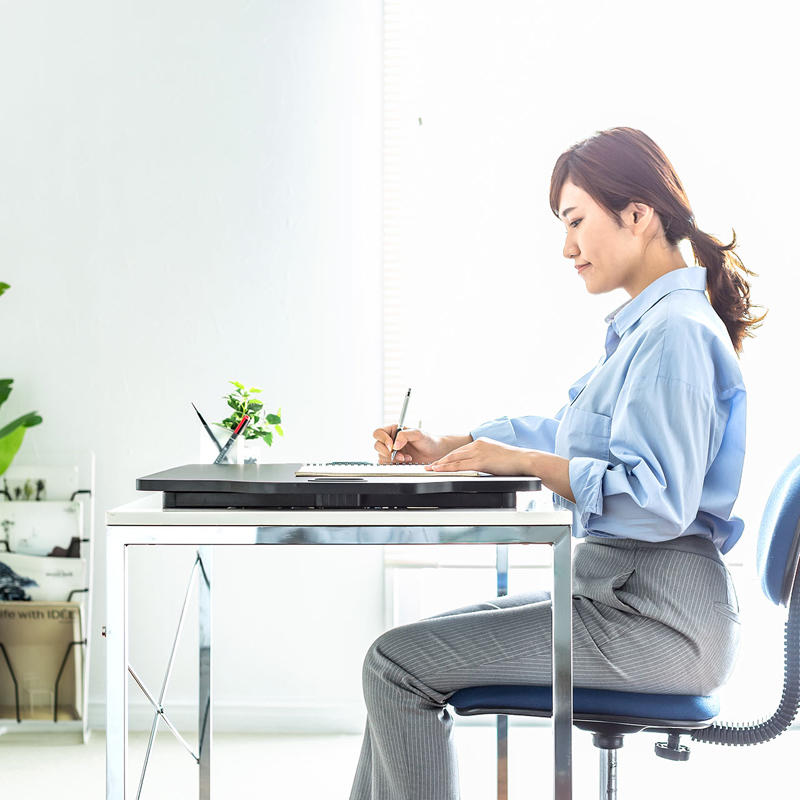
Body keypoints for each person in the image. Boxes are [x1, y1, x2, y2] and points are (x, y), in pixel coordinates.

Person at [349, 127, 765, 800]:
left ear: (638, 214)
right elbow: (576, 439)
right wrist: (452, 445)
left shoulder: (676, 334)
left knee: (396, 665)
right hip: (623, 594)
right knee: (403, 650)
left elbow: (656, 501)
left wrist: (523, 461)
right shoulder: (650, 328)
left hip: (660, 620)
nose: (566, 247)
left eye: (575, 222)